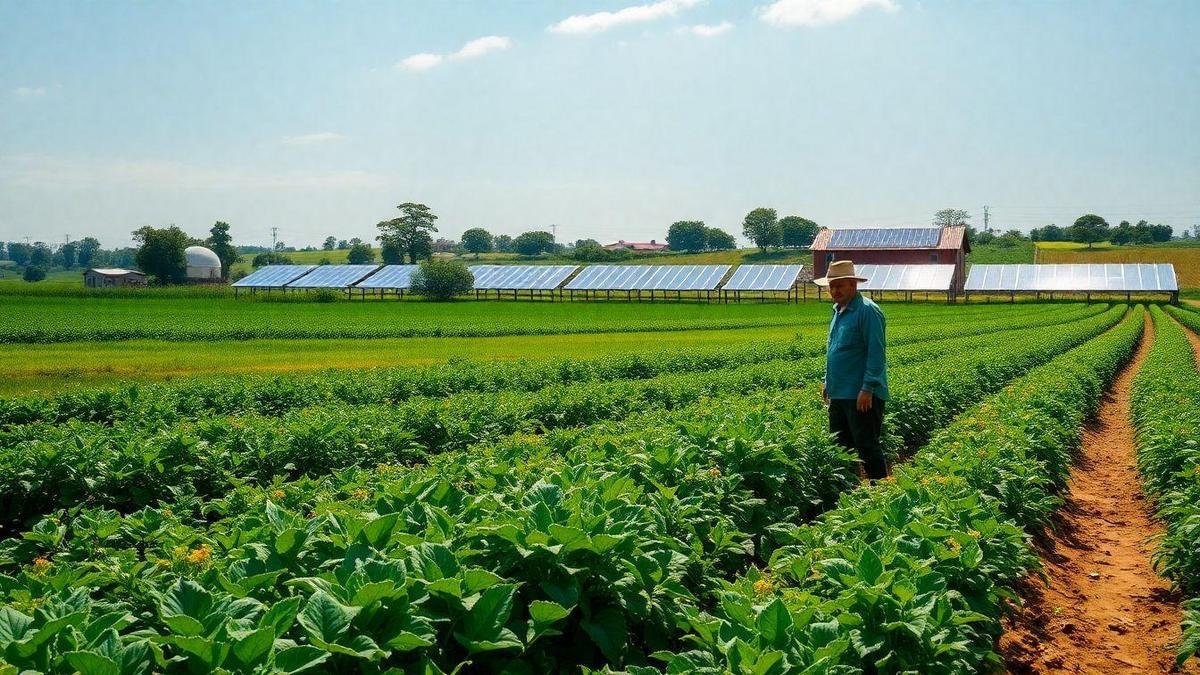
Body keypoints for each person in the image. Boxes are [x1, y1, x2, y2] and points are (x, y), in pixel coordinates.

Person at [814, 260, 889, 480]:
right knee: (840, 447)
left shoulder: (868, 311)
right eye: (832, 286)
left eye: (840, 285)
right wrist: (827, 381)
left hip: (861, 395)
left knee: (866, 446)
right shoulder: (837, 311)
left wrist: (867, 388)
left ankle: (881, 490)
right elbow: (835, 349)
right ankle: (849, 491)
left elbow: (876, 353)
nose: (835, 290)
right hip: (839, 392)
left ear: (853, 285)